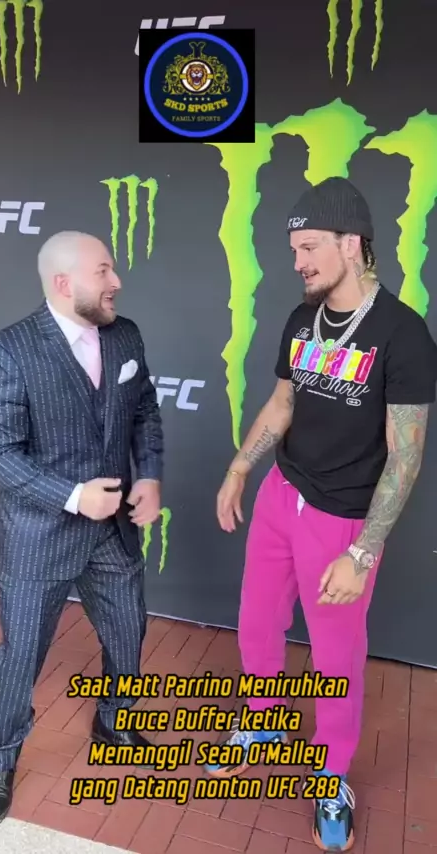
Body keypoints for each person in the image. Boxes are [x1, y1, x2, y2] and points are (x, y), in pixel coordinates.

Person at [208, 178, 437, 852]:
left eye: (309, 247)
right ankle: (262, 720)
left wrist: (363, 552)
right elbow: (284, 403)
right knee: (257, 622)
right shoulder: (301, 320)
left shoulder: (403, 335)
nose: (298, 262)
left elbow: (405, 458)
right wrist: (241, 466)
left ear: (352, 243)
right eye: (294, 250)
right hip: (282, 496)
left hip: (343, 522)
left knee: (336, 656)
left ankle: (332, 774)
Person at [0, 230, 163, 821]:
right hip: (40, 538)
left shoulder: (125, 335)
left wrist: (151, 476)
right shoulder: (7, 351)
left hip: (114, 533)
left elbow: (145, 410)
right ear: (63, 282)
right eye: (103, 271)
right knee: (22, 654)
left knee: (128, 633)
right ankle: (1, 758)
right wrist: (76, 496)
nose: (116, 282)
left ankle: (114, 722)